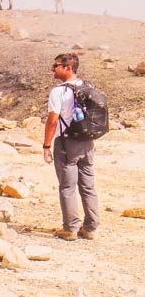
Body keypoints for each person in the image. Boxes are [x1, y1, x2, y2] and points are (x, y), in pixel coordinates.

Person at [43, 52, 98, 240]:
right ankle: (90, 228)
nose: (53, 68)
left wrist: (46, 145)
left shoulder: (59, 91)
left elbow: (52, 121)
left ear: (68, 67)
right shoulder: (88, 86)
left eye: (56, 65)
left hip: (67, 143)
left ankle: (70, 229)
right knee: (88, 186)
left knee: (67, 187)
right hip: (88, 143)